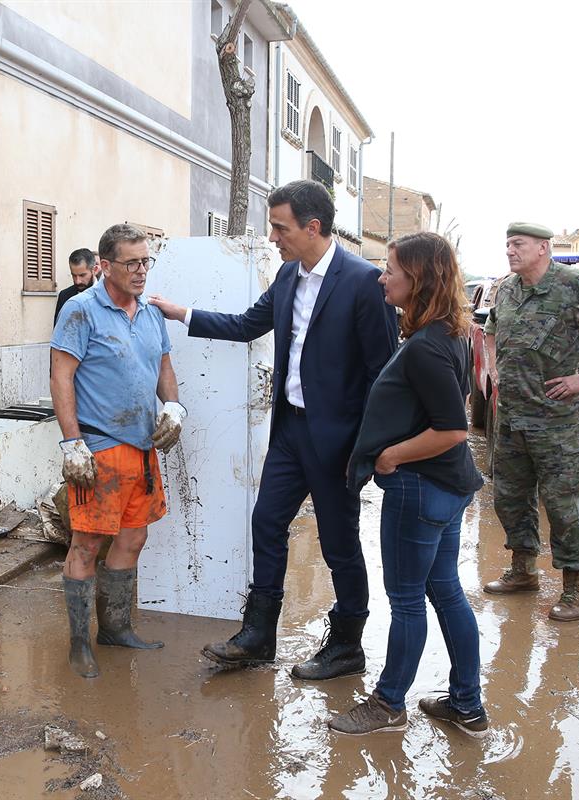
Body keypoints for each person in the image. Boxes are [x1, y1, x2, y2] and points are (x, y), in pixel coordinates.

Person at [149, 180, 398, 679]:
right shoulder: (287, 276)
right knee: (266, 523)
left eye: (280, 227)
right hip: (290, 431)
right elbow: (247, 325)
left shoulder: (363, 284)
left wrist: (366, 449)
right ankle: (259, 635)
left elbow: (382, 375)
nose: (273, 237)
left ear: (313, 227)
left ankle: (348, 644)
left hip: (338, 442)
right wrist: (183, 313)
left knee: (339, 542)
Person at [328, 232, 487, 736]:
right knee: (445, 591)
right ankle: (467, 706)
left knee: (406, 600)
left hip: (421, 487)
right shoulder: (449, 333)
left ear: (417, 278)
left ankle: (388, 703)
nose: (382, 277)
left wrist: (390, 455)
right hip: (446, 486)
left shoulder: (426, 347)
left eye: (391, 269)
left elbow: (453, 428)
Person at [50, 224, 187, 678]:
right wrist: (72, 443)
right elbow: (61, 377)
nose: (141, 271)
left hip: (142, 446)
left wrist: (174, 405)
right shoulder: (80, 310)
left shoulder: (149, 313)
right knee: (87, 543)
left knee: (133, 537)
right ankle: (78, 645)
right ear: (104, 266)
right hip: (99, 448)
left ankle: (114, 628)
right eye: (131, 263)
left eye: (146, 261)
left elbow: (163, 365)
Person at [483, 222, 579, 621]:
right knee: (510, 498)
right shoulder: (507, 288)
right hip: (512, 419)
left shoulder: (574, 286)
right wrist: (493, 367)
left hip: (556, 423)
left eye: (517, 244)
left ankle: (576, 591)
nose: (510, 251)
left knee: (564, 506)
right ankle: (523, 572)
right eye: (507, 244)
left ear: (543, 247)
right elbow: (489, 331)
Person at [53, 248, 97, 326]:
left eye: (82, 275)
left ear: (94, 270)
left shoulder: (107, 294)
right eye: (74, 275)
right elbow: (58, 330)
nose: (77, 281)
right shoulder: (64, 296)